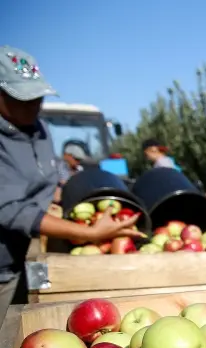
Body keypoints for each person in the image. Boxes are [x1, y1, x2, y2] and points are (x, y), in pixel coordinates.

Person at [0, 46, 141, 324]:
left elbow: (42, 182)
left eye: (37, 96)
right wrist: (88, 232)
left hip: (29, 255)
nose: (34, 105)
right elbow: (11, 209)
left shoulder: (39, 129)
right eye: (22, 98)